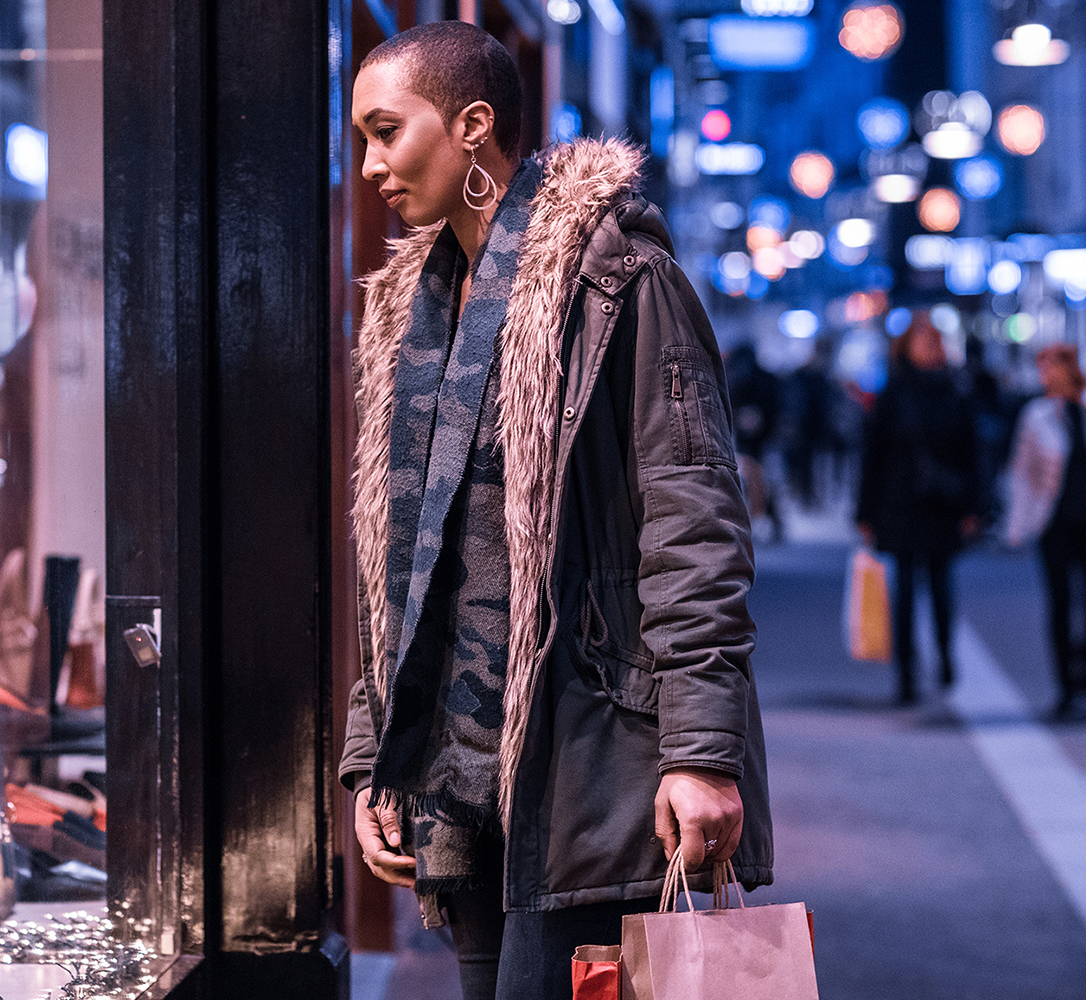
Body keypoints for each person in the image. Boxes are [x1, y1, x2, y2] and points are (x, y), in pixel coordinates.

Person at [339, 22, 772, 1000]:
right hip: (464, 778)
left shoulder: (621, 281)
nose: (369, 164)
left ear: (472, 126)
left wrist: (702, 751)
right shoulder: (416, 309)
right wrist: (376, 753)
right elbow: (403, 565)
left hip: (594, 757)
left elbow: (695, 522)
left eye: (385, 130)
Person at [856, 316, 981, 704]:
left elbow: (972, 453)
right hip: (901, 504)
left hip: (941, 504)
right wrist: (865, 512)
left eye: (935, 342)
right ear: (907, 347)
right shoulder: (894, 393)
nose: (930, 348)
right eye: (923, 341)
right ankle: (907, 673)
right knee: (905, 591)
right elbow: (872, 456)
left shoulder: (955, 391)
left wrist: (973, 506)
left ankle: (945, 656)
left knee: (942, 586)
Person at [1005, 344, 1086, 717]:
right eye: (1043, 368)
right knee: (1061, 603)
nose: (1047, 375)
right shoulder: (1037, 415)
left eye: (1052, 367)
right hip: (1055, 522)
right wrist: (1016, 525)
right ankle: (1066, 687)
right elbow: (1023, 473)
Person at [726, 342, 784, 541]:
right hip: (760, 440)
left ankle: (758, 519)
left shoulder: (734, 375)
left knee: (754, 478)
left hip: (746, 440)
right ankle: (764, 520)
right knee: (760, 478)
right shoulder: (765, 378)